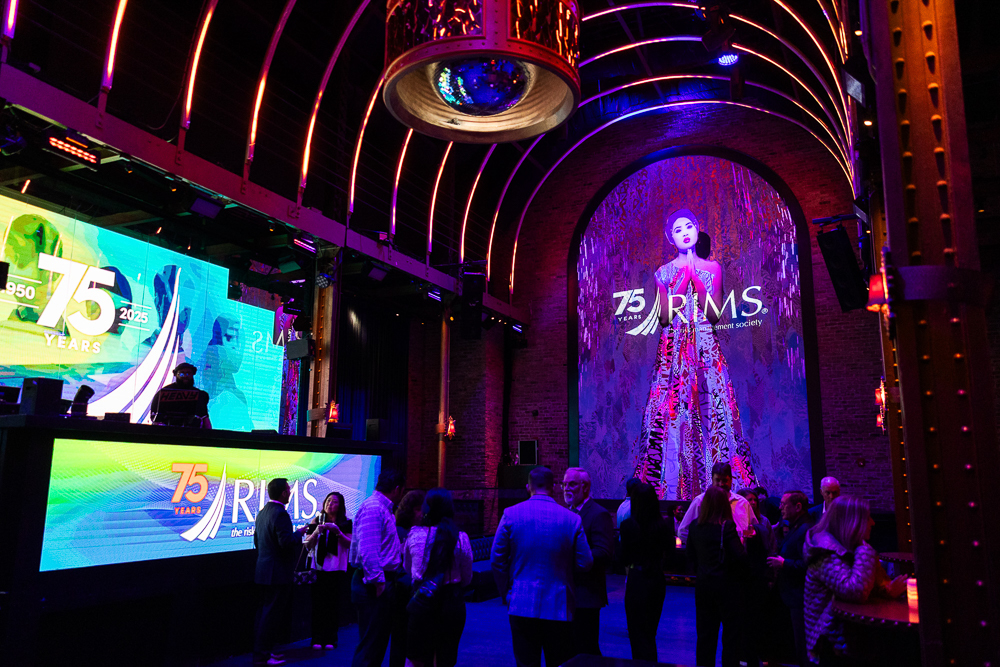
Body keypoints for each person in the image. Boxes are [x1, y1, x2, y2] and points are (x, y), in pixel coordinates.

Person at [634, 209, 757, 498]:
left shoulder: (712, 267)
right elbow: (664, 317)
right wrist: (681, 282)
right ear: (670, 238)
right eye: (677, 230)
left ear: (697, 228)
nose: (684, 233)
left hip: (704, 347)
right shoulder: (662, 272)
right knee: (672, 410)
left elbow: (714, 314)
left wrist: (696, 279)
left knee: (713, 406)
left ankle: (721, 487)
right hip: (673, 348)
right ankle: (672, 488)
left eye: (688, 226)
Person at [490, 467, 593, 667]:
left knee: (526, 663)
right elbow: (586, 562)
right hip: (559, 605)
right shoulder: (572, 519)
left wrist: (507, 593)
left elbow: (496, 559)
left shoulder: (511, 514)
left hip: (521, 602)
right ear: (553, 487)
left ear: (528, 487)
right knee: (559, 661)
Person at [804, 496, 907, 665]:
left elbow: (871, 583)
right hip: (833, 643)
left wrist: (887, 589)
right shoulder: (825, 553)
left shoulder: (845, 548)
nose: (873, 522)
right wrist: (865, 550)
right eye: (868, 517)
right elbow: (856, 591)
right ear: (853, 523)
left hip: (848, 638)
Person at [402, 488, 474, 667]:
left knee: (418, 659)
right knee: (446, 658)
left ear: (426, 509)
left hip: (422, 600)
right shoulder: (461, 538)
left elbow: (408, 569)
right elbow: (467, 577)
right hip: (451, 601)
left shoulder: (415, 535)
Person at [349, 470, 406, 667]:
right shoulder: (374, 508)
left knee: (375, 645)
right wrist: (379, 583)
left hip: (377, 582)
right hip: (372, 584)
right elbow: (368, 550)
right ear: (397, 489)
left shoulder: (381, 507)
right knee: (370, 649)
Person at [687, 485, 747, 667]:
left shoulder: (695, 526)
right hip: (726, 587)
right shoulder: (726, 526)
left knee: (705, 636)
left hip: (703, 586)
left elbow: (690, 557)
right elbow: (740, 557)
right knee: (730, 636)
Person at [253, 478, 309, 666]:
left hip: (263, 571)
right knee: (270, 616)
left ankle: (264, 652)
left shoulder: (262, 512)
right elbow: (285, 542)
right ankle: (263, 656)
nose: (290, 493)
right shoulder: (281, 514)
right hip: (277, 574)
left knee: (264, 614)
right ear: (283, 493)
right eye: (289, 490)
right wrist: (299, 533)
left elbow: (257, 542)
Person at [563, 467, 615, 657]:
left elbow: (603, 552)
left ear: (585, 487)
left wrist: (572, 558)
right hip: (569, 593)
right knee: (570, 648)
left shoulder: (598, 514)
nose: (566, 489)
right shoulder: (568, 512)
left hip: (586, 594)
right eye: (564, 484)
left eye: (572, 484)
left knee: (586, 650)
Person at [619, 483, 672, 661]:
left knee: (636, 633)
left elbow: (622, 558)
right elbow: (670, 553)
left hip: (637, 578)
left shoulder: (628, 526)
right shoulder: (663, 526)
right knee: (650, 633)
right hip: (656, 578)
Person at [767, 490, 814, 667]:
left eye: (784, 504)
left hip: (799, 596)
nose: (780, 508)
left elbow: (809, 565)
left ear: (798, 507)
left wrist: (784, 563)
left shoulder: (806, 529)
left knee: (803, 644)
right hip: (792, 594)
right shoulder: (797, 526)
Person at [304, 491, 353, 650]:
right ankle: (317, 638)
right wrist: (316, 532)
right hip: (318, 567)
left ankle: (331, 638)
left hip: (336, 567)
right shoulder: (317, 520)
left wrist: (337, 532)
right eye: (328, 500)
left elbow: (350, 544)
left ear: (340, 506)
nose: (329, 504)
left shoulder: (346, 523)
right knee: (318, 604)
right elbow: (307, 545)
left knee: (333, 603)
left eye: (334, 501)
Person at [738, 488, 776, 666]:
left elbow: (771, 547)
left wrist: (771, 574)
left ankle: (761, 654)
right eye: (749, 500)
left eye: (754, 500)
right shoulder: (737, 520)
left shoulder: (764, 521)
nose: (753, 503)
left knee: (760, 616)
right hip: (742, 573)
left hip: (759, 573)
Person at [676, 462, 755, 544]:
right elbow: (683, 532)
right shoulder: (700, 501)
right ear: (712, 480)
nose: (721, 484)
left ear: (731, 480)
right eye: (717, 480)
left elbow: (754, 527)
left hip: (739, 551)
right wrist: (701, 547)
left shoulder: (742, 502)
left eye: (725, 480)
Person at [390, 489, 426, 667]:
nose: (422, 513)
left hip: (415, 591)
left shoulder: (425, 531)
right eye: (418, 509)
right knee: (400, 637)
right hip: (402, 590)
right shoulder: (399, 531)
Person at [150, 362, 212, 427]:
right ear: (176, 375)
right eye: (181, 374)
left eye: (188, 373)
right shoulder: (163, 393)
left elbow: (204, 418)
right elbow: (155, 417)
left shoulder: (200, 395)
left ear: (193, 374)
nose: (185, 376)